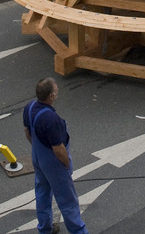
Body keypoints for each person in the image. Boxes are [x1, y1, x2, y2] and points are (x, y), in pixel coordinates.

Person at [23, 78, 89, 234]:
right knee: (68, 200)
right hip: (54, 162)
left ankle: (45, 229)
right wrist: (66, 164)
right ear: (51, 96)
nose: (58, 90)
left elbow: (27, 131)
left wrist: (37, 151)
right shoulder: (51, 119)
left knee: (42, 193)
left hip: (38, 158)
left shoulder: (29, 107)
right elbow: (58, 149)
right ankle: (79, 231)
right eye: (56, 90)